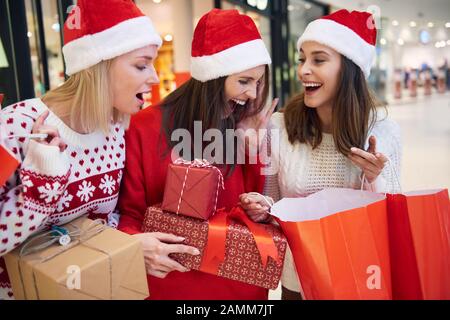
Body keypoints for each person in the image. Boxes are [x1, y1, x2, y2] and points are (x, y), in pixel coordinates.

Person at [0, 0, 163, 299]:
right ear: (98, 66)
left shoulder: (114, 128)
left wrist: (133, 244)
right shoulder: (15, 125)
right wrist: (40, 188)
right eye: (142, 64)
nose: (154, 77)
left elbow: (102, 221)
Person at [239, 9, 402, 299]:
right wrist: (261, 205)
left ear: (349, 68)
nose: (303, 70)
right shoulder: (280, 126)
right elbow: (272, 203)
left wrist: (373, 179)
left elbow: (394, 219)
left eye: (318, 60)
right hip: (298, 279)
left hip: (358, 278)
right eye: (302, 59)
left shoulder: (382, 132)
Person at [118, 9, 278, 300]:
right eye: (244, 81)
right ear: (212, 77)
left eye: (258, 82)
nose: (254, 94)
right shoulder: (143, 127)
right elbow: (129, 214)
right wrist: (135, 246)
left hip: (239, 279)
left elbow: (256, 203)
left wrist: (251, 150)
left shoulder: (241, 124)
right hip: (172, 282)